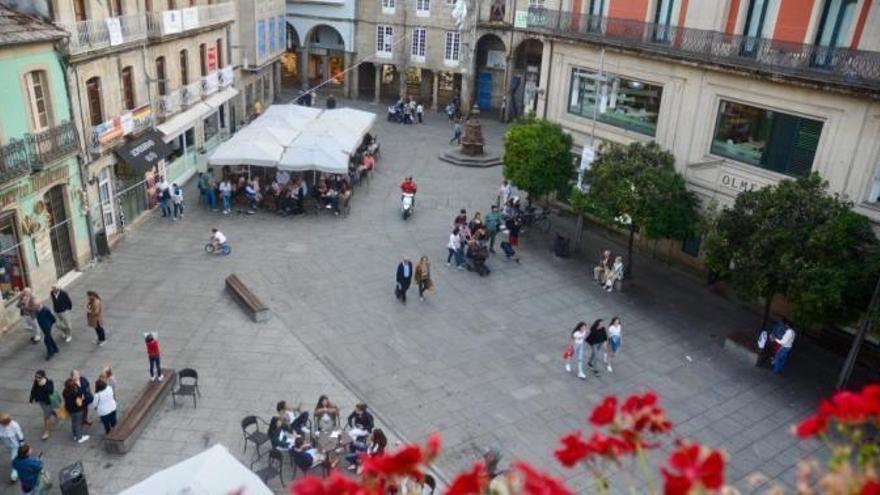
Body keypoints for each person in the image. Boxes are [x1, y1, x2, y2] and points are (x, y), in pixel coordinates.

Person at [29, 371, 56, 440]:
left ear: (43, 377)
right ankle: (55, 414)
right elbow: (33, 391)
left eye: (39, 377)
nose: (37, 378)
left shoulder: (49, 382)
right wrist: (31, 401)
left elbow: (51, 391)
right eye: (36, 377)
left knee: (46, 418)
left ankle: (46, 432)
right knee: (48, 411)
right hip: (41, 402)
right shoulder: (36, 382)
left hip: (48, 402)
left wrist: (43, 385)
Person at [62, 378, 90, 443]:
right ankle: (79, 438)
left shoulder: (65, 391)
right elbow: (80, 398)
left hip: (70, 409)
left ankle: (75, 435)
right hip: (77, 410)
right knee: (78, 423)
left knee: (74, 422)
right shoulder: (76, 392)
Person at [0, 414, 24, 483]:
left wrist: (22, 444)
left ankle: (14, 476)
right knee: (17, 456)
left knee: (14, 460)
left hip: (15, 445)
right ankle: (22, 460)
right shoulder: (1, 425)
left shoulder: (14, 425)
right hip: (6, 444)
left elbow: (19, 434)